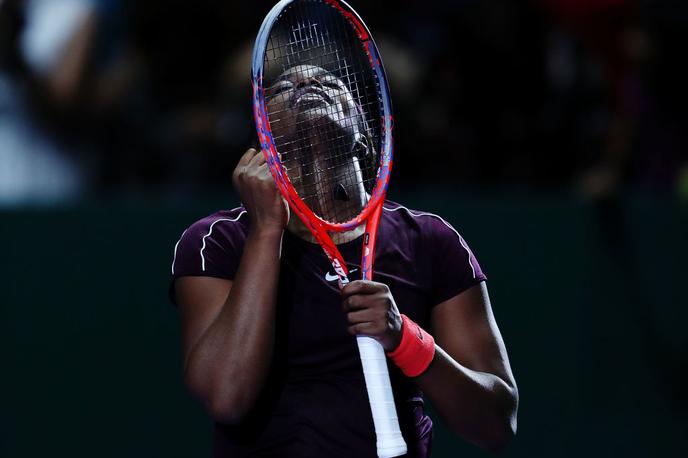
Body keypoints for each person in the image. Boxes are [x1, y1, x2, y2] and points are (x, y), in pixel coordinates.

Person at [170, 66, 519, 457]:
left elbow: (495, 422)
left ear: (366, 140)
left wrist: (405, 339)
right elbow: (226, 396)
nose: (306, 85)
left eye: (329, 82)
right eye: (285, 87)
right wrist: (266, 231)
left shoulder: (430, 241)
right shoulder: (217, 241)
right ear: (262, 145)